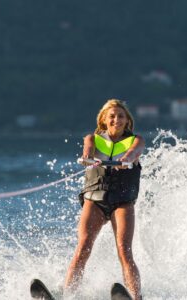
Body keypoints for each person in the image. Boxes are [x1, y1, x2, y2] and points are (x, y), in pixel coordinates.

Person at [64, 99, 145, 300]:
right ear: (103, 119)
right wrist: (87, 158)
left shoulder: (136, 140)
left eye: (121, 116)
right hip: (95, 200)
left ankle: (136, 297)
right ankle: (68, 295)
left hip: (122, 201)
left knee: (124, 251)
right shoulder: (92, 138)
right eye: (112, 116)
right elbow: (87, 150)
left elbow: (134, 152)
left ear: (127, 121)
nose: (116, 119)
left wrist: (126, 160)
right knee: (83, 246)